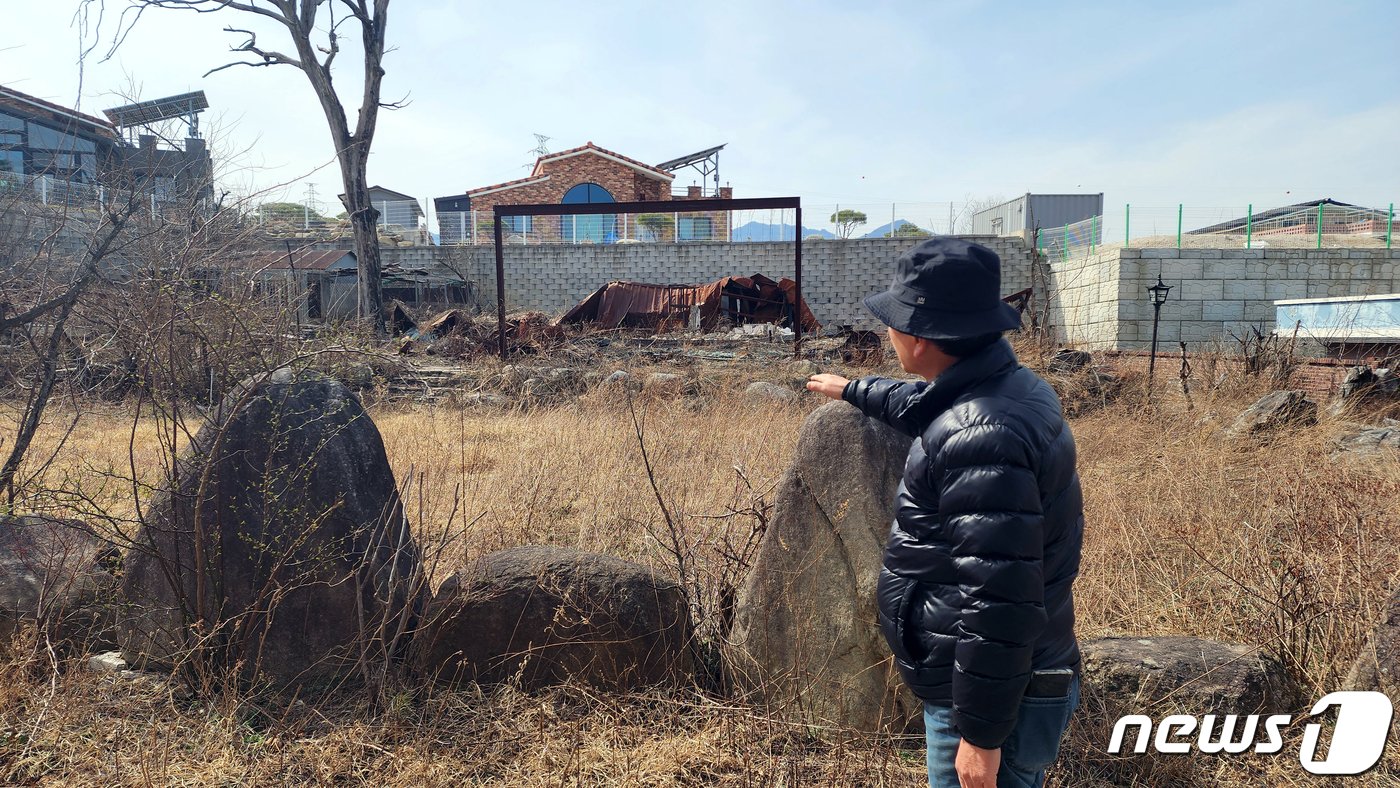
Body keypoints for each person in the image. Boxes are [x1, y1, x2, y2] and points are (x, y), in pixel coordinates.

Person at [806, 237, 1084, 788]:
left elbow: (999, 598)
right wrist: (855, 389)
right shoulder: (1003, 388)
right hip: (1004, 680)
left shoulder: (983, 435)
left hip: (989, 700)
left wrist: (980, 740)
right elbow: (929, 405)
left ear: (915, 336)